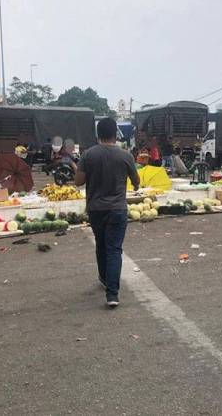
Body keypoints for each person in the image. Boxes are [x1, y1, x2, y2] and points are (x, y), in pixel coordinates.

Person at [75, 117, 140, 308]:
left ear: (98, 134)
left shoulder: (88, 155)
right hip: (118, 209)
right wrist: (134, 183)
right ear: (115, 134)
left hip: (96, 210)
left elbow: (78, 182)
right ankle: (112, 294)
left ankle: (104, 278)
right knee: (114, 250)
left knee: (101, 246)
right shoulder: (125, 155)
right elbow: (136, 180)